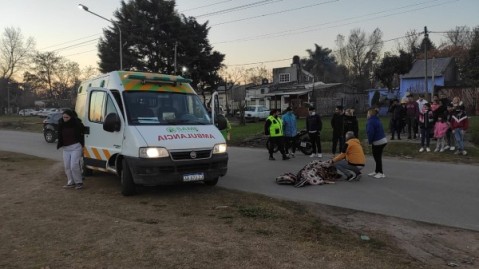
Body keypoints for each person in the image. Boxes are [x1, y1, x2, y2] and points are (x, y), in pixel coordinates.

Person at [57, 109, 85, 189]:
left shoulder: (77, 123)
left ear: (71, 117)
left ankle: (79, 182)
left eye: (67, 117)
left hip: (76, 147)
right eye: (63, 117)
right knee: (67, 166)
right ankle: (70, 182)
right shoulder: (61, 123)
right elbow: (59, 135)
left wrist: (82, 144)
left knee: (74, 165)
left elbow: (83, 132)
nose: (65, 119)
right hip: (66, 148)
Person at [366, 108, 387, 179]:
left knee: (377, 157)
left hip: (378, 141)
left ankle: (380, 172)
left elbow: (370, 132)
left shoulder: (370, 121)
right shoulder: (377, 119)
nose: (367, 114)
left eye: (367, 113)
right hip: (382, 140)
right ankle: (376, 171)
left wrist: (370, 142)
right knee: (377, 157)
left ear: (370, 114)